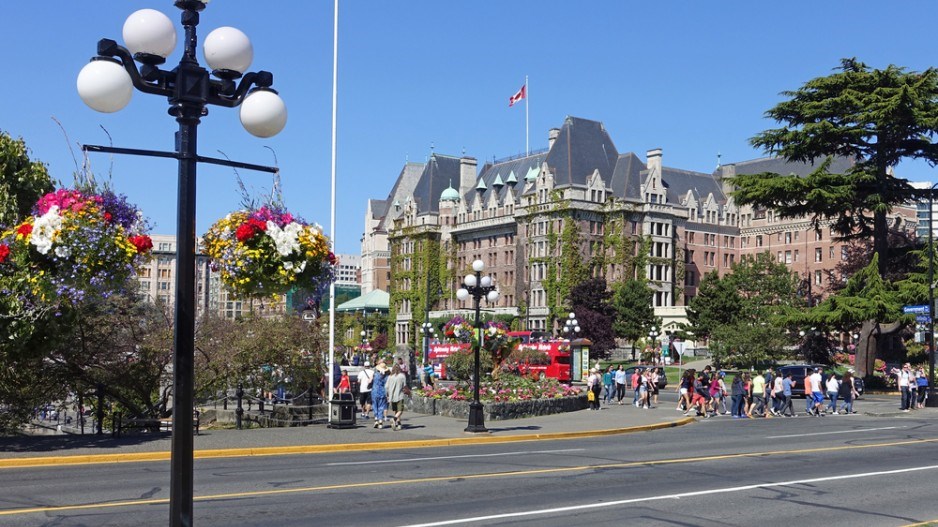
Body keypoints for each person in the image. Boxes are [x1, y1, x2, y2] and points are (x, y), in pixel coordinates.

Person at [385, 363, 407, 430]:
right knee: (400, 410)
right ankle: (394, 419)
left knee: (396, 411)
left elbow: (386, 387)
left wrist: (387, 395)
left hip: (392, 396)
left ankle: (398, 424)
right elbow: (404, 386)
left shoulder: (390, 376)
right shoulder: (402, 376)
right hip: (399, 395)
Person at [371, 360, 389, 429]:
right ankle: (380, 421)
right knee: (381, 406)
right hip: (382, 392)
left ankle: (376, 419)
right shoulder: (386, 377)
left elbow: (370, 381)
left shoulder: (375, 375)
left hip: (375, 391)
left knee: (375, 405)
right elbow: (387, 385)